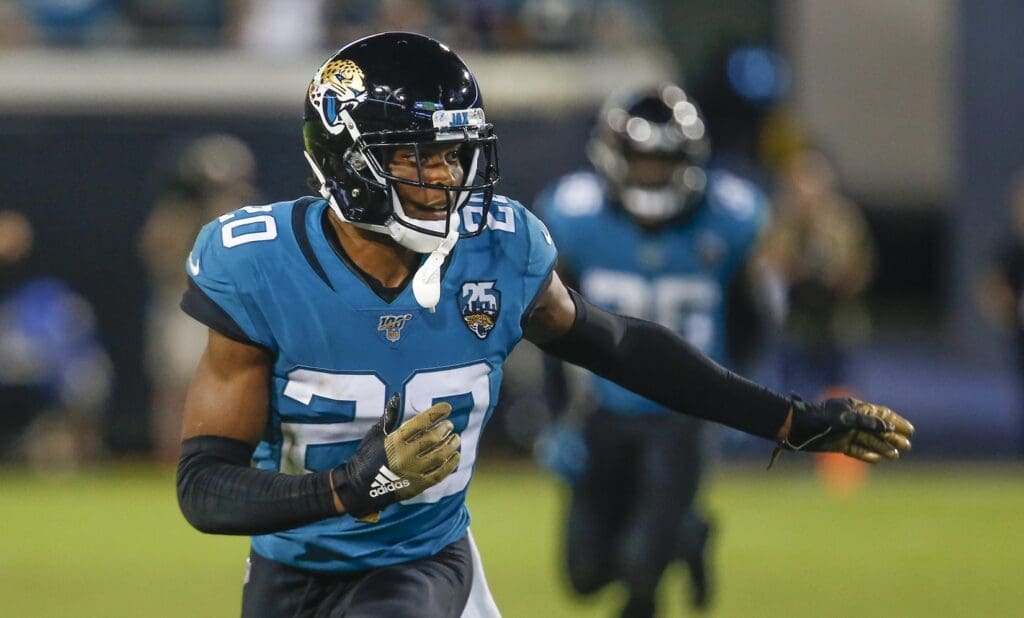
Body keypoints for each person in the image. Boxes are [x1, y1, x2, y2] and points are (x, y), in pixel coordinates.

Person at [175, 32, 914, 618]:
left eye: (455, 155)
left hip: (418, 565)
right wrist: (345, 489)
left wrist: (789, 421)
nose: (447, 178)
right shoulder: (260, 265)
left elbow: (620, 347)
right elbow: (204, 486)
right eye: (418, 157)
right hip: (286, 573)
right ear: (347, 161)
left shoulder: (496, 248)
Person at [535, 83, 769, 616]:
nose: (652, 173)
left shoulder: (729, 217)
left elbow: (752, 317)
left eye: (663, 161)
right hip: (604, 409)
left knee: (641, 567)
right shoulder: (573, 217)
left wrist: (739, 398)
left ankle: (666, 551)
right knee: (585, 576)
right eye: (642, 160)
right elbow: (550, 327)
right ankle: (690, 534)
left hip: (682, 414)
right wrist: (556, 417)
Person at [756, 147, 875, 399]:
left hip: (837, 327)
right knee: (793, 400)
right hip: (795, 327)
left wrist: (830, 272)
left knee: (842, 401)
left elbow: (858, 271)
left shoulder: (843, 219)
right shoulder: (778, 217)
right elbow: (767, 265)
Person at [0, 210, 111, 468]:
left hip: (42, 392)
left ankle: (77, 450)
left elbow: (75, 356)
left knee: (88, 377)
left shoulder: (49, 294)